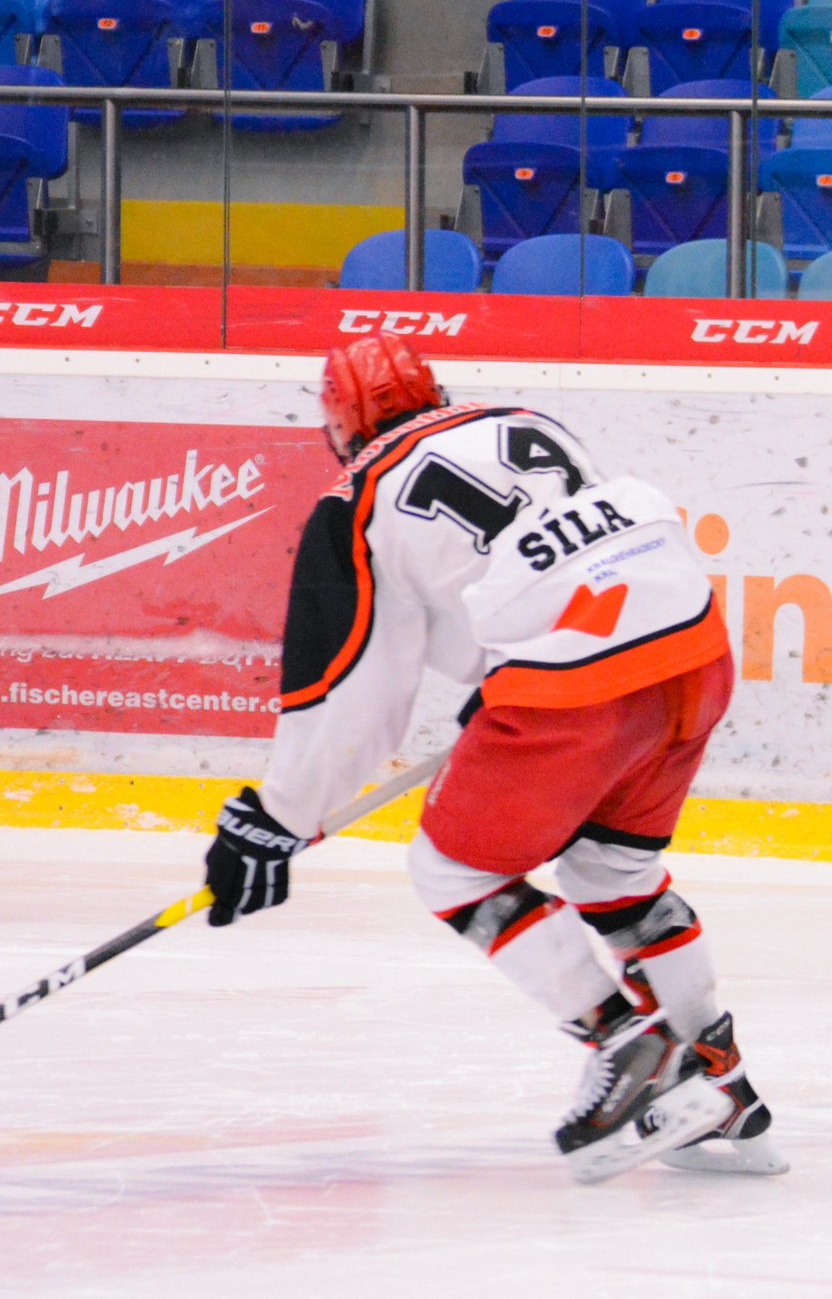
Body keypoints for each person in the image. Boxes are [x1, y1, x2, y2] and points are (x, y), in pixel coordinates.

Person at [196, 333, 783, 1182]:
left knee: (451, 868)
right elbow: (542, 561)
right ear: (436, 393)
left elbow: (351, 687)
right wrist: (501, 668)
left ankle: (626, 1042)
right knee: (612, 870)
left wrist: (278, 817)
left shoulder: (357, 498)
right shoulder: (524, 421)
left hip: (580, 683)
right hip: (694, 648)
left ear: (339, 425)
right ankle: (720, 1090)